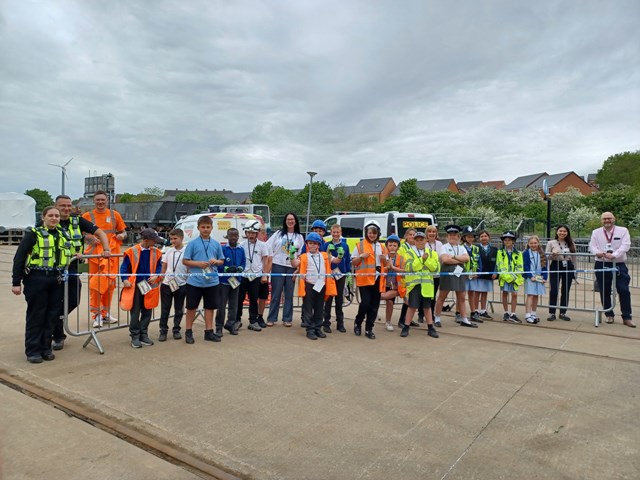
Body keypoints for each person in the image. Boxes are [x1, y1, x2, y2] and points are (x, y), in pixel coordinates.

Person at [12, 206, 71, 363]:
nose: (54, 218)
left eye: (57, 216)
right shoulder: (33, 234)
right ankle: (33, 350)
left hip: (56, 280)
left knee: (51, 316)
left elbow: (68, 254)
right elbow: (19, 257)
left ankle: (46, 348)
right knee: (36, 315)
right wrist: (16, 282)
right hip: (36, 279)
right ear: (43, 217)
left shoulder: (63, 235)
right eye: (50, 215)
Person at [52, 195, 110, 350]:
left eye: (68, 205)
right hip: (54, 269)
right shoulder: (50, 221)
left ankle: (52, 320)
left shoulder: (77, 221)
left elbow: (101, 233)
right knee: (56, 301)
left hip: (73, 268)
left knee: (73, 300)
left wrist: (106, 249)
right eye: (62, 205)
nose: (66, 208)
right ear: (55, 206)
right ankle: (58, 336)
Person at [82, 190, 127, 328]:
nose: (100, 202)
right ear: (93, 201)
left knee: (109, 286)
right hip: (95, 256)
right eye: (98, 200)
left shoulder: (115, 215)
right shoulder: (87, 216)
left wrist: (122, 236)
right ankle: (96, 315)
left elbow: (123, 232)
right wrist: (90, 238)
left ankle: (105, 313)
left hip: (111, 256)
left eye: (103, 200)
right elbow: (81, 234)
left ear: (107, 200)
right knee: (96, 286)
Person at [182, 216, 225, 344]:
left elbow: (221, 261)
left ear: (212, 228)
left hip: (212, 281)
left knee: (210, 307)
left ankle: (209, 332)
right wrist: (198, 264)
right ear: (198, 228)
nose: (205, 229)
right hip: (194, 282)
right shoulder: (192, 243)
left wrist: (216, 261)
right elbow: (185, 261)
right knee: (191, 308)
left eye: (208, 227)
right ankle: (188, 332)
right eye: (203, 227)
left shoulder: (216, 244)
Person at [120, 229, 164, 348]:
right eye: (153, 240)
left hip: (149, 286)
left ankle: (143, 334)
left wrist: (157, 275)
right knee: (135, 312)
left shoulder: (157, 252)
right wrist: (124, 279)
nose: (155, 243)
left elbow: (159, 267)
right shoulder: (131, 251)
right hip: (135, 287)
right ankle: (135, 335)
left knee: (147, 310)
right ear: (146, 240)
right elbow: (124, 268)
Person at [589, 212, 634, 327]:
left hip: (618, 264)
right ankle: (609, 314)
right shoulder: (596, 232)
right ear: (601, 221)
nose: (607, 220)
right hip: (602, 264)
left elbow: (626, 245)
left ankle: (627, 317)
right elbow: (592, 246)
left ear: (614, 219)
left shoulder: (623, 231)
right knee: (605, 291)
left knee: (623, 289)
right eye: (604, 219)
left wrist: (614, 255)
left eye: (609, 218)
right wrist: (598, 253)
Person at [292, 233, 337, 340]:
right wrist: (291, 255)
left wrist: (340, 255)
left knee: (319, 307)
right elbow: (294, 264)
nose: (312, 245)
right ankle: (310, 329)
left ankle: (318, 328)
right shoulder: (304, 256)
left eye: (314, 244)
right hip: (309, 285)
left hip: (321, 285)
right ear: (307, 244)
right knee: (308, 308)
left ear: (318, 245)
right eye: (310, 243)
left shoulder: (325, 255)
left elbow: (336, 261)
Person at [266, 213, 305, 327]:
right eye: (288, 219)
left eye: (292, 219)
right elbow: (268, 246)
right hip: (278, 265)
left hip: (291, 268)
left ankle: (287, 318)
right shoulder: (278, 234)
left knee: (289, 294)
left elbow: (301, 255)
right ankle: (272, 318)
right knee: (276, 293)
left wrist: (297, 268)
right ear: (285, 221)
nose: (290, 221)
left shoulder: (299, 237)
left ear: (296, 221)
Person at [434, 225, 476, 328]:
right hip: (447, 272)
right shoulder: (444, 247)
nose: (452, 237)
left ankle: (464, 319)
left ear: (458, 236)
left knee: (461, 297)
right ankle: (437, 317)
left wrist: (454, 257)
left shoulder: (461, 248)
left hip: (459, 272)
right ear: (447, 236)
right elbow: (445, 260)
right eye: (450, 235)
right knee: (442, 296)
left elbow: (467, 259)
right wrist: (459, 260)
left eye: (454, 235)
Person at [399, 231, 440, 339]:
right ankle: (406, 327)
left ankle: (430, 327)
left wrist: (426, 260)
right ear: (414, 241)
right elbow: (409, 267)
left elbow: (436, 268)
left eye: (421, 239)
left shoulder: (432, 253)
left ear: (425, 240)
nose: (419, 242)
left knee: (427, 306)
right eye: (417, 240)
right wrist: (422, 260)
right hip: (414, 284)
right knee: (412, 306)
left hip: (427, 285)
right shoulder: (409, 252)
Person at [351, 220, 387, 339]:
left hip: (377, 279)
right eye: (370, 232)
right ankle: (358, 322)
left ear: (378, 234)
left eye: (374, 233)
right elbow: (353, 262)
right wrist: (361, 257)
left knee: (374, 305)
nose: (372, 235)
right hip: (364, 279)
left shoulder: (382, 246)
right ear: (366, 232)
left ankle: (369, 328)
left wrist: (384, 260)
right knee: (365, 303)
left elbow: (387, 264)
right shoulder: (360, 245)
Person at [237, 220, 271, 332]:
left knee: (253, 299)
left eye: (253, 233)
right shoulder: (241, 245)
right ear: (246, 233)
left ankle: (253, 320)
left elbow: (265, 260)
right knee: (239, 298)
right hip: (243, 276)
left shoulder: (262, 245)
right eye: (249, 233)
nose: (251, 235)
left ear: (257, 233)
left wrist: (264, 275)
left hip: (256, 276)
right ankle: (237, 320)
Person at [158, 228, 188, 341]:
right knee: (165, 308)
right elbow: (164, 267)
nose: (173, 241)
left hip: (181, 284)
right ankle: (163, 330)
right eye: (171, 239)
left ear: (181, 238)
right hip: (167, 284)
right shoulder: (169, 251)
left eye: (175, 239)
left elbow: (189, 268)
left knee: (179, 309)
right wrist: (161, 277)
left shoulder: (186, 251)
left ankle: (176, 329)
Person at [216, 228, 246, 336]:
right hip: (224, 281)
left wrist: (240, 269)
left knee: (234, 305)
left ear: (238, 236)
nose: (233, 238)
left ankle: (231, 324)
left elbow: (243, 262)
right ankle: (218, 327)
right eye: (231, 235)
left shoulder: (241, 250)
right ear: (227, 236)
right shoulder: (223, 249)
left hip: (236, 281)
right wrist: (226, 269)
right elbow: (218, 263)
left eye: (235, 235)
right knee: (221, 305)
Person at [322, 224, 351, 333]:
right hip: (330, 275)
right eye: (333, 232)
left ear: (341, 233)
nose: (335, 234)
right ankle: (326, 323)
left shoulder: (345, 245)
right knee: (328, 299)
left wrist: (348, 272)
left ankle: (340, 323)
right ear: (331, 232)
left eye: (337, 232)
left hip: (341, 275)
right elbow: (324, 258)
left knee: (339, 300)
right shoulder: (326, 245)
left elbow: (347, 259)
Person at [546, 225, 576, 321]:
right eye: (560, 231)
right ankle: (552, 312)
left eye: (564, 231)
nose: (562, 233)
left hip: (568, 266)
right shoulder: (551, 243)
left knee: (565, 290)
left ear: (567, 232)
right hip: (556, 264)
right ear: (557, 232)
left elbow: (574, 258)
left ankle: (563, 312)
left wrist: (575, 271)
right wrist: (552, 254)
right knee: (554, 289)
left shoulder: (571, 243)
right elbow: (546, 256)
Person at [496, 231, 524, 323]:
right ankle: (506, 312)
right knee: (504, 293)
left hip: (515, 278)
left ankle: (513, 313)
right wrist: (508, 277)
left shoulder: (518, 253)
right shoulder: (500, 252)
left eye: (509, 240)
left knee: (514, 294)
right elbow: (500, 265)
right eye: (505, 240)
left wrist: (514, 277)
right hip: (505, 278)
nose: (507, 241)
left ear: (513, 241)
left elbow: (520, 266)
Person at [397, 228, 421, 327]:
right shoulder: (402, 248)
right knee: (407, 300)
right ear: (406, 236)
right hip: (405, 276)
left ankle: (408, 319)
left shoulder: (417, 247)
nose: (412, 236)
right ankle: (402, 320)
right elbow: (401, 261)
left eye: (413, 234)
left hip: (414, 277)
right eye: (410, 234)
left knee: (412, 300)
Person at [380, 235, 405, 332]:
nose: (392, 247)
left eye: (395, 245)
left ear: (398, 247)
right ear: (386, 246)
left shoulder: (401, 258)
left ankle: (388, 321)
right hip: (383, 283)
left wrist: (393, 267)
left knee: (389, 302)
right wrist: (386, 267)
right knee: (381, 298)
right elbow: (378, 270)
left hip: (395, 285)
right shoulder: (382, 257)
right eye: (390, 245)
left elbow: (404, 271)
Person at [523, 235, 547, 324]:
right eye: (531, 243)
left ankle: (533, 313)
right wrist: (530, 276)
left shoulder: (542, 253)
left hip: (539, 277)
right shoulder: (526, 253)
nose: (533, 245)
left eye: (535, 243)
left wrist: (545, 277)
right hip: (530, 277)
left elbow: (545, 266)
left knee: (536, 295)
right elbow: (525, 266)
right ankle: (528, 314)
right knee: (530, 295)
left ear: (538, 243)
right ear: (528, 244)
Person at [461, 226, 483, 323]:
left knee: (472, 294)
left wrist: (478, 273)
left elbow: (479, 262)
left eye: (472, 236)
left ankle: (473, 312)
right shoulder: (460, 248)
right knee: (461, 295)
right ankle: (459, 313)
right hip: (463, 275)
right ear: (464, 237)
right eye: (468, 236)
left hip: (473, 276)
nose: (470, 238)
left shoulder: (476, 248)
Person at [475, 230, 498, 319]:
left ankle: (483, 310)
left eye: (485, 236)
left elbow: (497, 262)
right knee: (477, 293)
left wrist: (495, 272)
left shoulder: (494, 249)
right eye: (482, 236)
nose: (484, 238)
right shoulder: (475, 248)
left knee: (484, 292)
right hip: (479, 274)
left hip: (489, 275)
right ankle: (476, 310)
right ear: (479, 238)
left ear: (488, 237)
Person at [425, 225, 443, 321]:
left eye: (433, 232)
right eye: (430, 232)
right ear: (427, 233)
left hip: (437, 274)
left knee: (433, 295)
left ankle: (431, 313)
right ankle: (421, 313)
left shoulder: (440, 244)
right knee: (424, 294)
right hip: (426, 274)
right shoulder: (424, 243)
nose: (432, 234)